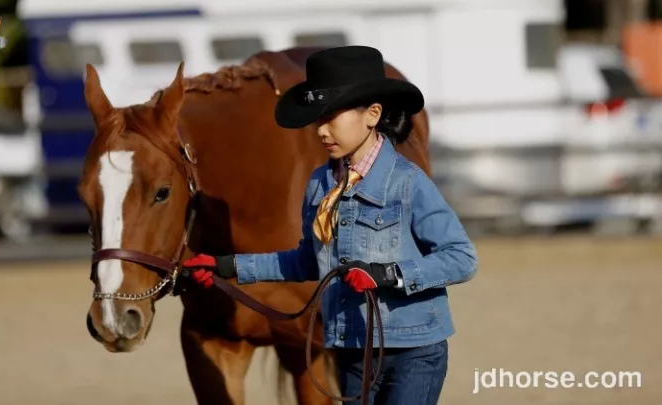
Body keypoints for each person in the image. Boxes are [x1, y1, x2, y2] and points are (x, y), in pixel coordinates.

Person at [180, 45, 478, 405]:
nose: (320, 131)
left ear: (372, 114)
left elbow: (461, 258)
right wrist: (225, 266)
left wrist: (386, 275)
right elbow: (306, 262)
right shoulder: (320, 185)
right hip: (352, 349)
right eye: (317, 119)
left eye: (331, 117)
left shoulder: (408, 183)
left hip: (413, 350)